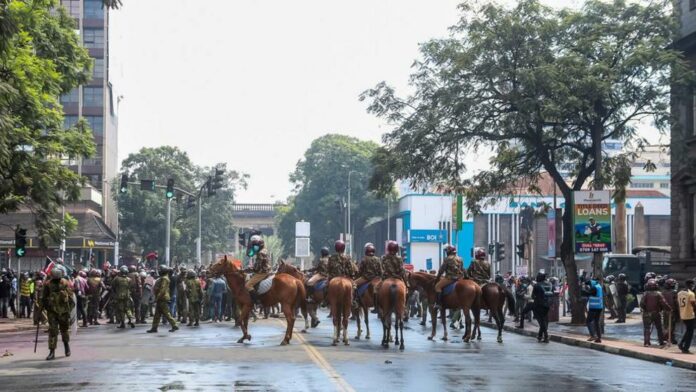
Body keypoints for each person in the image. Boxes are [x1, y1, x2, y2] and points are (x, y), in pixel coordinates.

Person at [42, 266, 74, 360]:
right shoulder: (48, 284)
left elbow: (71, 298)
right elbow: (44, 297)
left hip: (64, 311)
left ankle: (66, 346)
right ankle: (52, 352)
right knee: (53, 331)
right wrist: (45, 307)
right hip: (52, 312)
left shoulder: (65, 283)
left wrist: (68, 310)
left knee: (64, 330)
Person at [147, 265, 178, 333]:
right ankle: (154, 328)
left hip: (162, 298)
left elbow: (163, 289)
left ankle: (174, 325)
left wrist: (157, 297)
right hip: (161, 298)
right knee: (157, 314)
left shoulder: (164, 279)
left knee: (166, 313)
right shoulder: (163, 278)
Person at [434, 245, 465, 310]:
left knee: (437, 287)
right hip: (460, 278)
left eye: (446, 251)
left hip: (450, 278)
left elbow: (441, 270)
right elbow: (462, 269)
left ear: (448, 251)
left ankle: (438, 304)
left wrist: (437, 278)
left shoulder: (447, 259)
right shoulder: (460, 258)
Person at [640, 278, 670, 347]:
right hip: (656, 313)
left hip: (647, 313)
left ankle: (646, 342)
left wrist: (645, 309)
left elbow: (641, 304)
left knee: (647, 328)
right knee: (659, 328)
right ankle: (661, 342)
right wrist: (669, 309)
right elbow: (664, 303)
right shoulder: (658, 294)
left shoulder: (645, 294)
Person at [532, 271, 551, 343]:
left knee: (542, 321)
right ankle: (540, 335)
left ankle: (546, 336)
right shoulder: (549, 284)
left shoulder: (536, 285)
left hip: (538, 305)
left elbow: (532, 296)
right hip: (547, 304)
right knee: (545, 320)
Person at [583, 277, 604, 343]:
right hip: (599, 307)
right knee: (596, 322)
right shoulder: (599, 286)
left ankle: (593, 335)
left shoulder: (594, 287)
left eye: (589, 284)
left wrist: (582, 290)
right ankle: (599, 338)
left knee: (588, 321)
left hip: (594, 307)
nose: (589, 286)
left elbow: (587, 293)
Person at [678, 279, 696, 353]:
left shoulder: (680, 293)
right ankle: (685, 348)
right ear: (691, 285)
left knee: (689, 330)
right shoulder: (691, 294)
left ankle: (681, 344)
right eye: (693, 285)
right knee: (690, 332)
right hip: (690, 315)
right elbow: (694, 305)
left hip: (683, 314)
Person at [661, 278, 679, 344]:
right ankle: (671, 338)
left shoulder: (663, 292)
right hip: (672, 311)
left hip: (665, 310)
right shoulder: (674, 292)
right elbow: (676, 303)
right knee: (672, 325)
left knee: (665, 325)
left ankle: (665, 337)